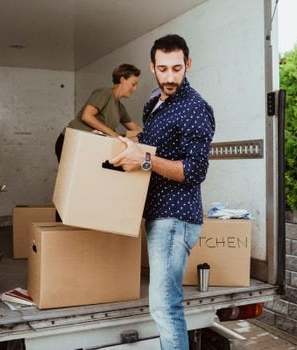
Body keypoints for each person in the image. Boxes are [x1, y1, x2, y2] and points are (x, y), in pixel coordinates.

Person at [109, 34, 215, 350]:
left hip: (176, 217)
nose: (170, 77)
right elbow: (155, 150)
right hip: (157, 213)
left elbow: (194, 172)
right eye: (163, 68)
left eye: (177, 69)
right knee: (163, 305)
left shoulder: (195, 108)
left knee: (165, 307)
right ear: (152, 66)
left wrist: (143, 159)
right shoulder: (154, 101)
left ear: (188, 65)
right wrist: (135, 146)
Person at [55, 63, 142, 162]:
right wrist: (115, 135)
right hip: (70, 141)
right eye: (133, 84)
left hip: (87, 144)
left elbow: (135, 128)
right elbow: (86, 116)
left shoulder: (120, 107)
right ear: (122, 80)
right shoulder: (105, 93)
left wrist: (153, 137)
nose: (135, 89)